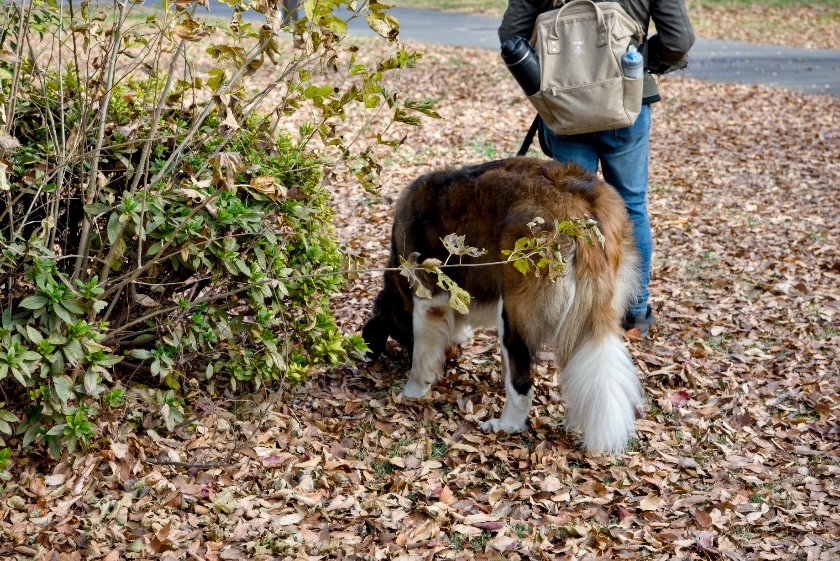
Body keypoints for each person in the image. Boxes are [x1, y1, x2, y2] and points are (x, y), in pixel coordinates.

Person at [499, 0, 695, 338]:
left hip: (566, 105)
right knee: (631, 205)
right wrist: (638, 59)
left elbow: (511, 35)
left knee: (569, 210)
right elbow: (679, 39)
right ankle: (634, 313)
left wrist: (559, 63)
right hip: (626, 99)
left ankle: (573, 311)